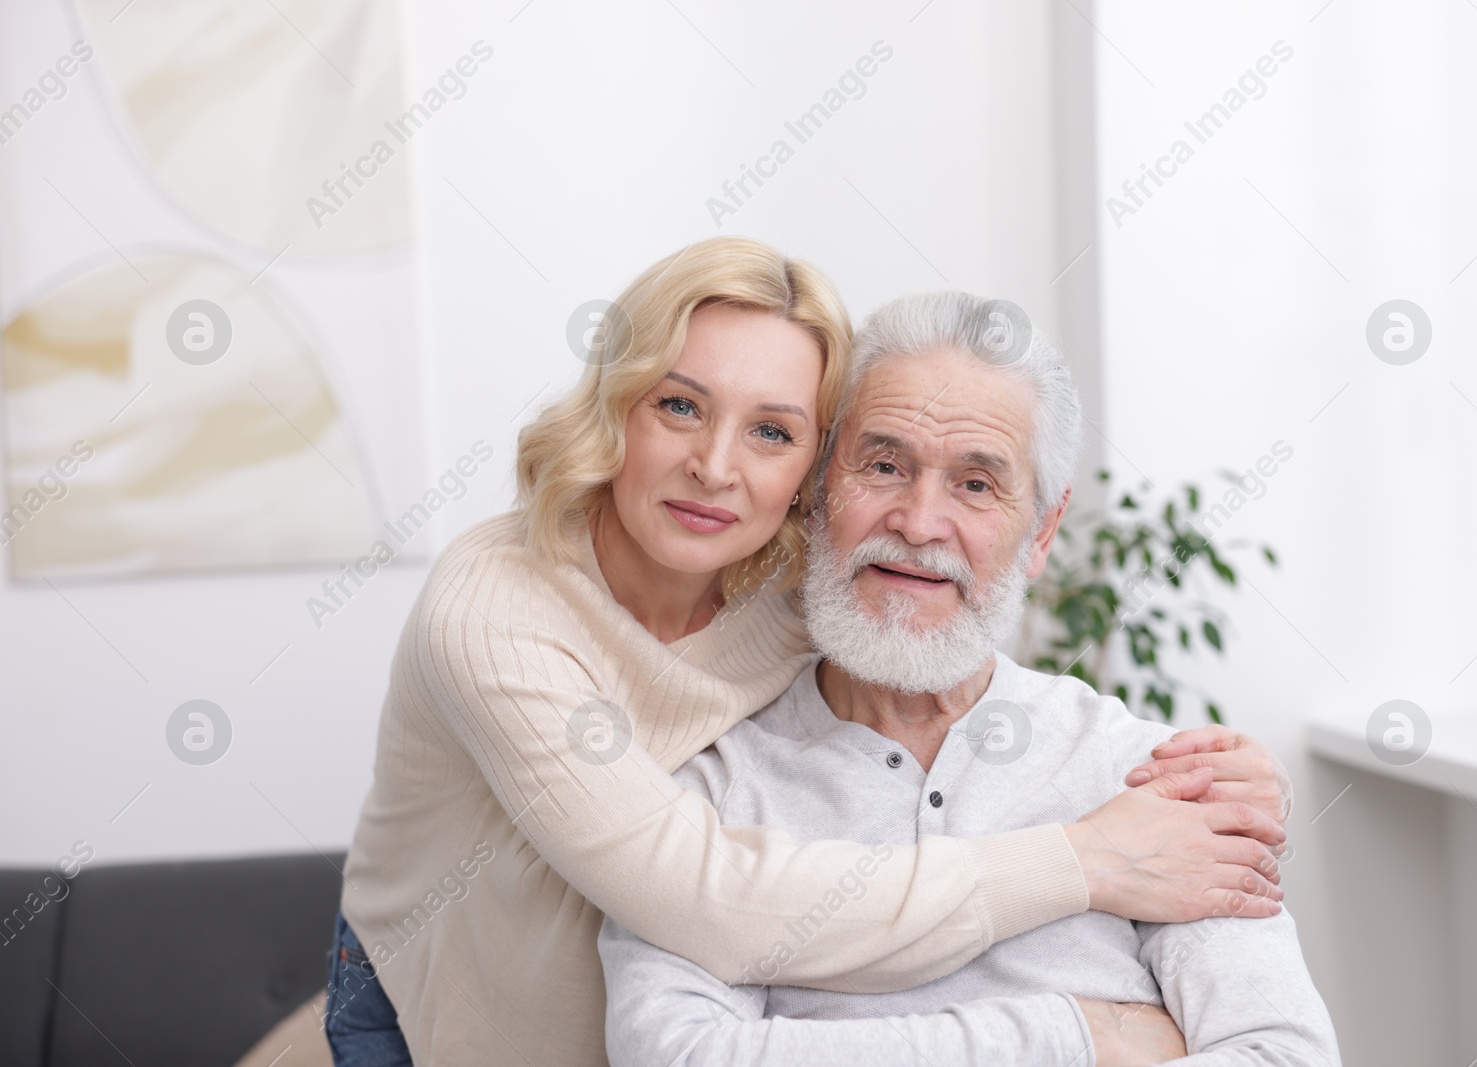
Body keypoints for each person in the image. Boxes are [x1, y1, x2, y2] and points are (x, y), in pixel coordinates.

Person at [325, 239, 1294, 1066]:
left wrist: (1243, 782)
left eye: (772, 429)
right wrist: (1074, 1003)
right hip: (448, 988)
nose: (715, 465)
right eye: (677, 406)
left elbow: (1280, 1046)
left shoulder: (791, 575)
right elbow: (699, 927)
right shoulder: (500, 614)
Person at [597, 291, 1340, 1066]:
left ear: (1043, 529)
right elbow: (678, 1057)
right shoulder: (707, 786)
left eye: (976, 485)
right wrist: (1083, 1035)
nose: (919, 523)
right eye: (883, 465)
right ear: (817, 494)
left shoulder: (1153, 780)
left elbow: (1283, 1055)